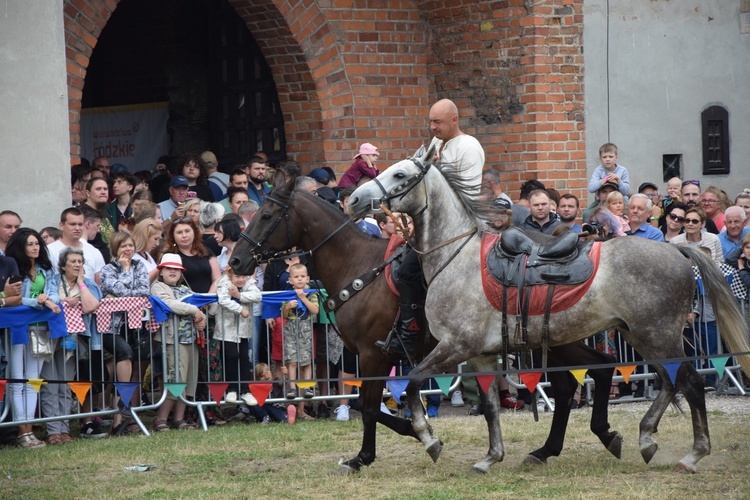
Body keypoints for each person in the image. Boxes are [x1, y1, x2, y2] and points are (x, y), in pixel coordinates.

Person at [380, 99, 484, 358]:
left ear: (454, 120)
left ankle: (414, 333)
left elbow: (467, 192)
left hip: (460, 228)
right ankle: (411, 330)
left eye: (437, 122)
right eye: (430, 121)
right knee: (404, 269)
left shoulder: (469, 146)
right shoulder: (435, 145)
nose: (432, 127)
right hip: (431, 228)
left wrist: (437, 169)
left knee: (408, 272)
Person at [5, 228, 61, 448]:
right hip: (18, 329)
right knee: (17, 380)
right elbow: (16, 299)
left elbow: (54, 292)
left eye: (37, 243)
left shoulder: (46, 268)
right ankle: (21, 432)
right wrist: (38, 301)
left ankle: (29, 430)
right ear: (21, 246)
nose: (35, 247)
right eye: (30, 244)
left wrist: (48, 298)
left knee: (33, 381)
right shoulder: (13, 268)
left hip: (41, 329)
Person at [45, 247, 101, 444]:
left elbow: (92, 305)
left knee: (66, 385)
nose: (78, 265)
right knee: (51, 385)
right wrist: (62, 301)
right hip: (51, 337)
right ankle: (53, 430)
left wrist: (81, 284)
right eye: (73, 262)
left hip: (74, 340)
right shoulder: (53, 280)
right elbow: (49, 298)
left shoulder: (89, 284)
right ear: (62, 266)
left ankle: (65, 428)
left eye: (80, 261)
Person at [99, 231, 149, 434]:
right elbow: (122, 291)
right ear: (115, 249)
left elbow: (143, 291)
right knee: (124, 353)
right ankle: (123, 404)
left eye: (130, 245)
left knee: (130, 362)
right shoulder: (107, 270)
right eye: (123, 246)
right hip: (111, 326)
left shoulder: (141, 266)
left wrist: (127, 293)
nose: (128, 250)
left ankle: (119, 421)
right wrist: (126, 270)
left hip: (135, 325)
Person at [150, 253, 207, 431]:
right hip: (172, 340)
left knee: (189, 381)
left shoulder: (185, 289)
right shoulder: (158, 287)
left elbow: (200, 307)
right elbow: (168, 304)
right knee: (176, 379)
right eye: (169, 268)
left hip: (191, 340)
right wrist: (193, 309)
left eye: (176, 269)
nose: (173, 271)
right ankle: (161, 419)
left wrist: (202, 318)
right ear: (161, 271)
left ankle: (179, 419)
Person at [207, 266, 261, 406]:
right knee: (231, 356)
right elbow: (223, 300)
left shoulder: (249, 282)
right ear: (230, 275)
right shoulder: (223, 282)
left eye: (244, 276)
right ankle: (231, 389)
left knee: (244, 357)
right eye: (237, 276)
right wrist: (240, 309)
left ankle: (244, 390)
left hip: (243, 328)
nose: (241, 279)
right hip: (226, 327)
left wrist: (239, 296)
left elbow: (257, 296)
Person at [281, 263, 319, 420]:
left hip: (305, 329)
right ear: (290, 280)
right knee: (292, 361)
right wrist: (288, 306)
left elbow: (315, 310)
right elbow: (283, 314)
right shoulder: (287, 294)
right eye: (296, 277)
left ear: (307, 278)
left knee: (306, 362)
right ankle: (291, 389)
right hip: (291, 329)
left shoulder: (311, 293)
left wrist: (303, 297)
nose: (300, 279)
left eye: (302, 276)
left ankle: (307, 387)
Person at [46, 207, 106, 283]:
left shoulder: (94, 251)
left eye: (80, 224)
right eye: (72, 224)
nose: (77, 228)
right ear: (61, 225)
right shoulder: (50, 250)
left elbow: (100, 284)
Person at [166, 218, 220, 294]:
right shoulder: (170, 256)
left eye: (187, 231)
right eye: (179, 232)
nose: (184, 235)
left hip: (210, 299)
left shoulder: (207, 252)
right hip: (185, 301)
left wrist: (207, 297)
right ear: (173, 236)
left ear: (194, 232)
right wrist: (196, 298)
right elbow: (170, 284)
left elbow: (217, 279)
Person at [82, 178, 115, 247]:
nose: (103, 192)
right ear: (88, 193)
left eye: (105, 189)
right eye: (98, 189)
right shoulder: (81, 213)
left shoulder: (105, 211)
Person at [131, 218, 162, 282]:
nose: (157, 244)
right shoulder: (130, 257)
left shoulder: (147, 254)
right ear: (145, 236)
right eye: (155, 239)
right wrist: (160, 268)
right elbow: (139, 283)